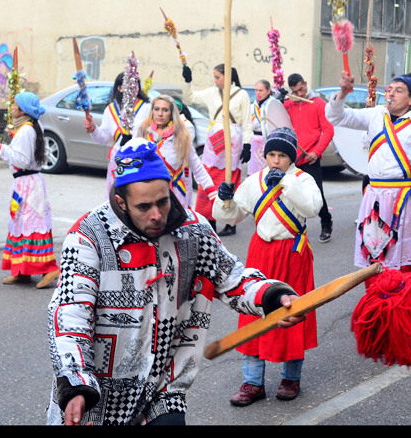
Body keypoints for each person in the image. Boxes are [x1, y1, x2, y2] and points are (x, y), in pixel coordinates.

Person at [46, 138, 306, 426]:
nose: (157, 215)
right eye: (144, 206)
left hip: (162, 389)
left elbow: (232, 278)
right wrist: (76, 384)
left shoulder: (192, 231)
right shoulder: (88, 237)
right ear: (121, 202)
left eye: (162, 201)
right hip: (95, 396)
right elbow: (70, 316)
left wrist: (270, 296)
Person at [213, 127, 322, 405]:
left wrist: (286, 183)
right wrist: (224, 198)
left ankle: (290, 378)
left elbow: (312, 208)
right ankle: (252, 382)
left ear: (291, 157)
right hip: (260, 252)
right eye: (271, 154)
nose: (275, 160)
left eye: (282, 155)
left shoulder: (303, 179)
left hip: (292, 253)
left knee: (293, 310)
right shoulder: (255, 180)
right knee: (253, 311)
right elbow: (233, 215)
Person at [325, 72, 411, 281]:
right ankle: (376, 302)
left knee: (402, 259)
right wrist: (343, 92)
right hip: (375, 198)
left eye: (399, 91)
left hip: (404, 199)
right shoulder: (376, 115)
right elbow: (337, 117)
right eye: (389, 89)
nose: (391, 94)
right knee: (373, 252)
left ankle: (400, 304)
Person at [0, 92, 59, 288]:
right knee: (21, 224)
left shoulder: (27, 131)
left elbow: (21, 159)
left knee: (31, 224)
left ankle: (49, 268)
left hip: (28, 184)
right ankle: (22, 270)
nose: (11, 108)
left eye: (14, 106)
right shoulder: (32, 128)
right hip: (27, 183)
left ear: (22, 110)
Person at [181, 63, 252, 236]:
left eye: (217, 77)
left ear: (227, 77)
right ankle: (209, 219)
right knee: (209, 178)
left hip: (233, 138)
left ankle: (230, 222)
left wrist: (248, 144)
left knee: (229, 179)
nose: (214, 80)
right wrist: (187, 80)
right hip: (214, 139)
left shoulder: (241, 95)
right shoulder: (211, 92)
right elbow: (189, 97)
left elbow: (247, 121)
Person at [135, 94, 216, 208]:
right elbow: (132, 163)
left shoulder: (181, 136)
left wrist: (213, 194)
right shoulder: (143, 132)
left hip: (173, 197)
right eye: (156, 109)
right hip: (147, 194)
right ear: (152, 111)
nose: (160, 114)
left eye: (165, 110)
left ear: (172, 113)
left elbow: (197, 168)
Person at [284, 74, 334, 242]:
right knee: (293, 194)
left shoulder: (318, 103)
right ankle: (298, 226)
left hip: (311, 157)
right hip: (293, 158)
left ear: (305, 83)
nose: (300, 93)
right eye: (295, 91)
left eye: (301, 88)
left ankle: (326, 222)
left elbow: (328, 130)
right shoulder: (288, 105)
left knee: (317, 193)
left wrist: (317, 151)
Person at [84, 73, 151, 196]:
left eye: (135, 85)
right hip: (117, 160)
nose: (131, 88)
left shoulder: (147, 108)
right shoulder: (110, 110)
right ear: (119, 88)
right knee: (117, 198)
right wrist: (93, 129)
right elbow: (103, 138)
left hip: (140, 161)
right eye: (127, 85)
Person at [247, 79, 292, 176]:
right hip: (255, 142)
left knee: (267, 169)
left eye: (261, 90)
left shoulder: (273, 104)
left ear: (268, 91)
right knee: (254, 171)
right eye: (256, 90)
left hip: (268, 140)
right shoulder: (252, 106)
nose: (258, 93)